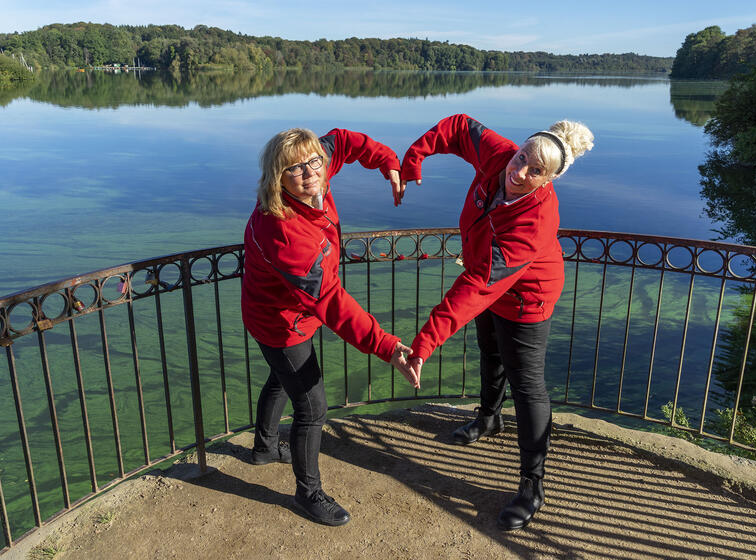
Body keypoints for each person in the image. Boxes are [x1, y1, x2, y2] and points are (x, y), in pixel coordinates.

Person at [400, 113, 593, 531]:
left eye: (535, 170)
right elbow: (459, 128)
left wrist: (425, 343)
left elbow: (479, 284)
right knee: (489, 349)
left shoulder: (535, 220)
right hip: (490, 277)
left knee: (528, 385)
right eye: (522, 156)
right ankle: (489, 418)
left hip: (527, 297)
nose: (519, 171)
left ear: (549, 180)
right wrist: (415, 157)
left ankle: (532, 486)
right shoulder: (502, 155)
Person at [242, 127, 419, 527]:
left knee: (280, 378)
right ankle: (308, 494)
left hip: (280, 311)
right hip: (280, 322)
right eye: (294, 169)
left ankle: (265, 448)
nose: (309, 173)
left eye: (314, 162)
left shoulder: (317, 168)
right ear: (277, 177)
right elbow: (332, 302)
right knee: (312, 406)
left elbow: (345, 140)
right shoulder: (283, 231)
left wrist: (388, 162)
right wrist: (388, 347)